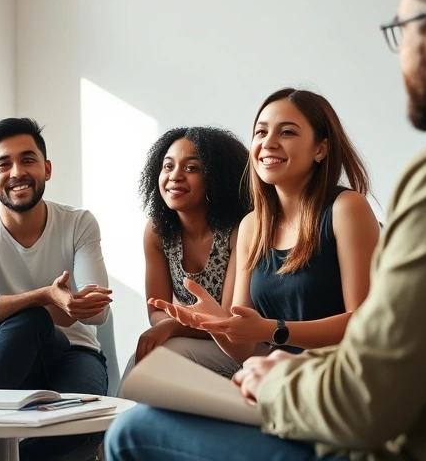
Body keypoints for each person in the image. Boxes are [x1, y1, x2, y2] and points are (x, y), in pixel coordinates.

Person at [106, 0, 426, 461]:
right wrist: (244, 338)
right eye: (261, 132)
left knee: (132, 432)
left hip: (420, 442)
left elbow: (368, 395)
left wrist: (275, 382)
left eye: (400, 29)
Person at [154, 88, 380, 366]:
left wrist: (273, 329)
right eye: (261, 133)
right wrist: (214, 323)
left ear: (320, 148)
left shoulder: (347, 208)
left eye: (287, 132)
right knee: (148, 394)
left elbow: (366, 322)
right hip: (278, 377)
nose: (269, 143)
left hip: (340, 375)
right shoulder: (252, 225)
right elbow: (244, 348)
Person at [0, 117, 113, 461]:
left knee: (78, 427)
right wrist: (46, 297)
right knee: (31, 321)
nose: (16, 172)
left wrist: (63, 308)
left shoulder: (78, 222)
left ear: (46, 168)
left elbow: (97, 311)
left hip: (72, 352)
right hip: (0, 352)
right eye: (3, 164)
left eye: (27, 160)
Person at [128, 127, 250, 379]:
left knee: (156, 358)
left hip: (240, 348)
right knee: (145, 358)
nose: (175, 176)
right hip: (194, 340)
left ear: (218, 177)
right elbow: (156, 311)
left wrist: (174, 325)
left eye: (192, 168)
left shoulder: (240, 229)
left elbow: (227, 321)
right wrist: (173, 324)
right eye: (168, 166)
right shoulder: (157, 231)